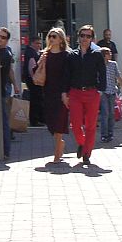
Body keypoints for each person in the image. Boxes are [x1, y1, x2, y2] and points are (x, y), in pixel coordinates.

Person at [65, 25, 105, 165]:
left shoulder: (97, 54)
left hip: (92, 92)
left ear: (92, 38)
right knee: (75, 124)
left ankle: (87, 153)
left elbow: (102, 73)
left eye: (88, 36)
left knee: (90, 125)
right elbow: (67, 75)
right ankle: (82, 143)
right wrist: (65, 93)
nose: (85, 38)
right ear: (78, 37)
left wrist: (100, 90)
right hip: (75, 93)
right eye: (82, 35)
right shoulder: (72, 55)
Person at [38, 28, 72, 164]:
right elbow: (36, 72)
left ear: (61, 39)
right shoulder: (45, 54)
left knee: (59, 123)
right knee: (51, 123)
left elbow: (68, 76)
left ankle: (57, 154)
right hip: (48, 92)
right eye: (50, 36)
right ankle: (60, 143)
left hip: (61, 92)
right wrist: (40, 62)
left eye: (54, 36)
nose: (51, 38)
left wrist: (65, 93)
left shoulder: (66, 55)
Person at [98, 47, 122, 144]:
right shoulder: (99, 65)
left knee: (112, 113)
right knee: (105, 113)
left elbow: (118, 76)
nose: (111, 55)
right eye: (108, 53)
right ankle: (104, 134)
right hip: (103, 92)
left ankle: (110, 133)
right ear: (104, 55)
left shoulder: (113, 64)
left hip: (112, 91)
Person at [0, 27, 16, 156]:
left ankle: (4, 150)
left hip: (1, 91)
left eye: (3, 37)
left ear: (7, 40)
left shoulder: (5, 54)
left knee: (3, 122)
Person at [25, 37, 45, 126]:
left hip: (33, 79)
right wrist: (35, 79)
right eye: (37, 43)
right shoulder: (31, 53)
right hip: (34, 80)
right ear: (32, 43)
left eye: (40, 43)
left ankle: (39, 119)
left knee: (37, 99)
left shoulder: (33, 52)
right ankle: (35, 120)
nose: (39, 45)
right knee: (36, 100)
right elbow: (31, 68)